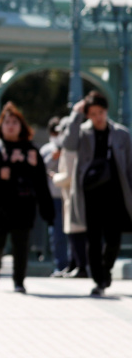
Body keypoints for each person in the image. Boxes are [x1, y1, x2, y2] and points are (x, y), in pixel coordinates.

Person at [0, 103, 53, 293]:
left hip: (23, 206)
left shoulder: (31, 151)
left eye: (15, 122)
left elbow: (41, 182)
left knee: (21, 246)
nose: (11, 126)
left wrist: (47, 210)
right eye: (7, 122)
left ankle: (19, 281)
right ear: (1, 126)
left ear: (22, 126)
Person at [62, 90, 132, 297]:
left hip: (115, 193)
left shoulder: (121, 134)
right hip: (90, 194)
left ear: (106, 111)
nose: (97, 117)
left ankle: (106, 269)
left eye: (100, 112)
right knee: (92, 238)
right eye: (92, 114)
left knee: (113, 238)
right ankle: (98, 280)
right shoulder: (83, 132)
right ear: (87, 115)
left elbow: (129, 166)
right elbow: (68, 144)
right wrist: (76, 115)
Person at [51, 129, 89, 278]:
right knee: (71, 233)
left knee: (76, 233)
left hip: (74, 197)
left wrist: (55, 178)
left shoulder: (70, 150)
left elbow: (69, 176)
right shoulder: (68, 148)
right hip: (69, 197)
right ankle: (73, 265)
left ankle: (80, 266)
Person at [40, 116, 70, 276]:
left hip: (69, 196)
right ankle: (60, 265)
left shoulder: (71, 146)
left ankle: (74, 264)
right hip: (53, 197)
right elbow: (40, 170)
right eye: (54, 132)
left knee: (73, 232)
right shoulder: (46, 150)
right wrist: (53, 158)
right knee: (57, 233)